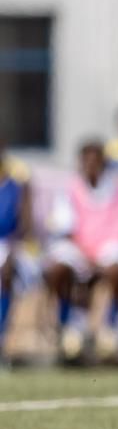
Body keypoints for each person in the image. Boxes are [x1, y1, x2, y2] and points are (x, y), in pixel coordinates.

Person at [46, 140, 118, 359]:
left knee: (115, 266)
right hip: (80, 249)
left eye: (96, 161)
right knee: (58, 268)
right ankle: (67, 324)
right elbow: (65, 228)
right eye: (87, 161)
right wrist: (85, 254)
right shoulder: (71, 188)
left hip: (109, 248)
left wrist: (96, 258)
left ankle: (109, 325)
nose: (92, 166)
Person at [0, 137, 34, 363]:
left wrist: (11, 248)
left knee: (5, 272)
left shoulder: (17, 184)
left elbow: (25, 226)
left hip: (13, 247)